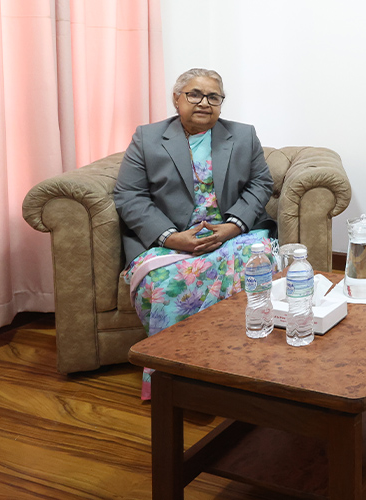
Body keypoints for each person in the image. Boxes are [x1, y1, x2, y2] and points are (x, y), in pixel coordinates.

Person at [114, 68, 276, 399]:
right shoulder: (147, 138)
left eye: (213, 97)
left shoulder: (243, 136)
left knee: (256, 263)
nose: (204, 103)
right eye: (194, 94)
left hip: (232, 233)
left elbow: (261, 183)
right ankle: (179, 383)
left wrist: (232, 227)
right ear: (177, 99)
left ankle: (245, 372)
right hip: (169, 239)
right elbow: (129, 195)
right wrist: (171, 237)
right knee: (167, 282)